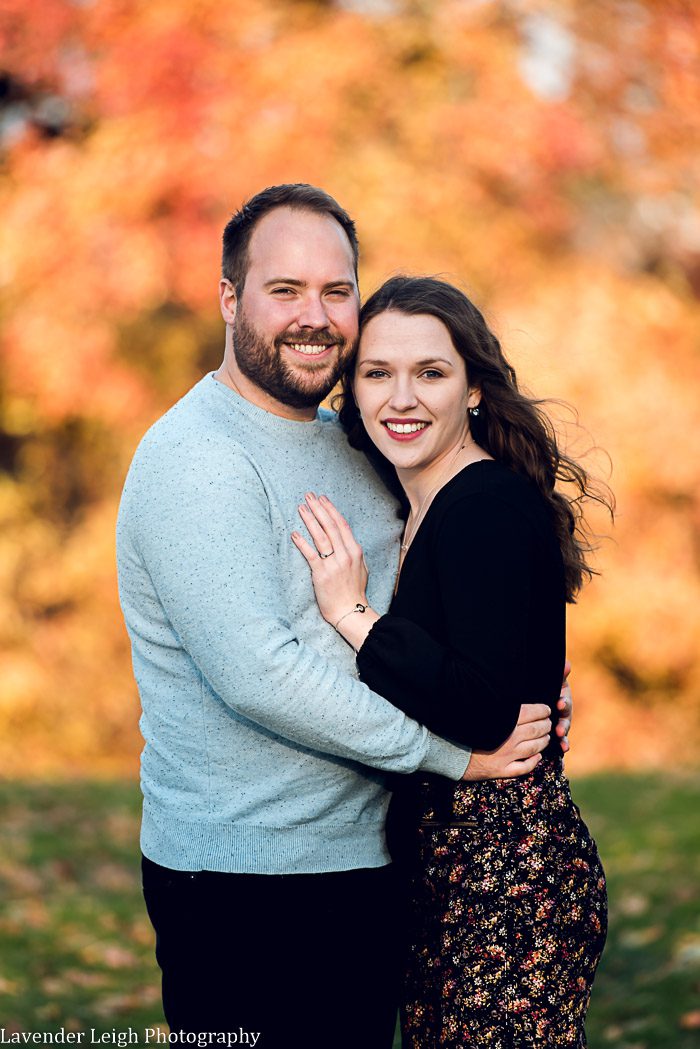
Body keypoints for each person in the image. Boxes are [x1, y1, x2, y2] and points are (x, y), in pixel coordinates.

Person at [116, 185, 572, 1048]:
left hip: (377, 861)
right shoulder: (195, 459)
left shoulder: (359, 438)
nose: (315, 316)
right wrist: (458, 755)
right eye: (283, 289)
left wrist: (516, 673)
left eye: (336, 291)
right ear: (228, 298)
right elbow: (262, 674)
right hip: (243, 879)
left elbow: (438, 605)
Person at [293, 275, 608, 1047]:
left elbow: (482, 709)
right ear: (354, 391)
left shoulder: (485, 506)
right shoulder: (421, 503)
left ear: (472, 387)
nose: (403, 397)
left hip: (509, 879)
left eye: (430, 372)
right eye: (378, 373)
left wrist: (352, 614)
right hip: (454, 876)